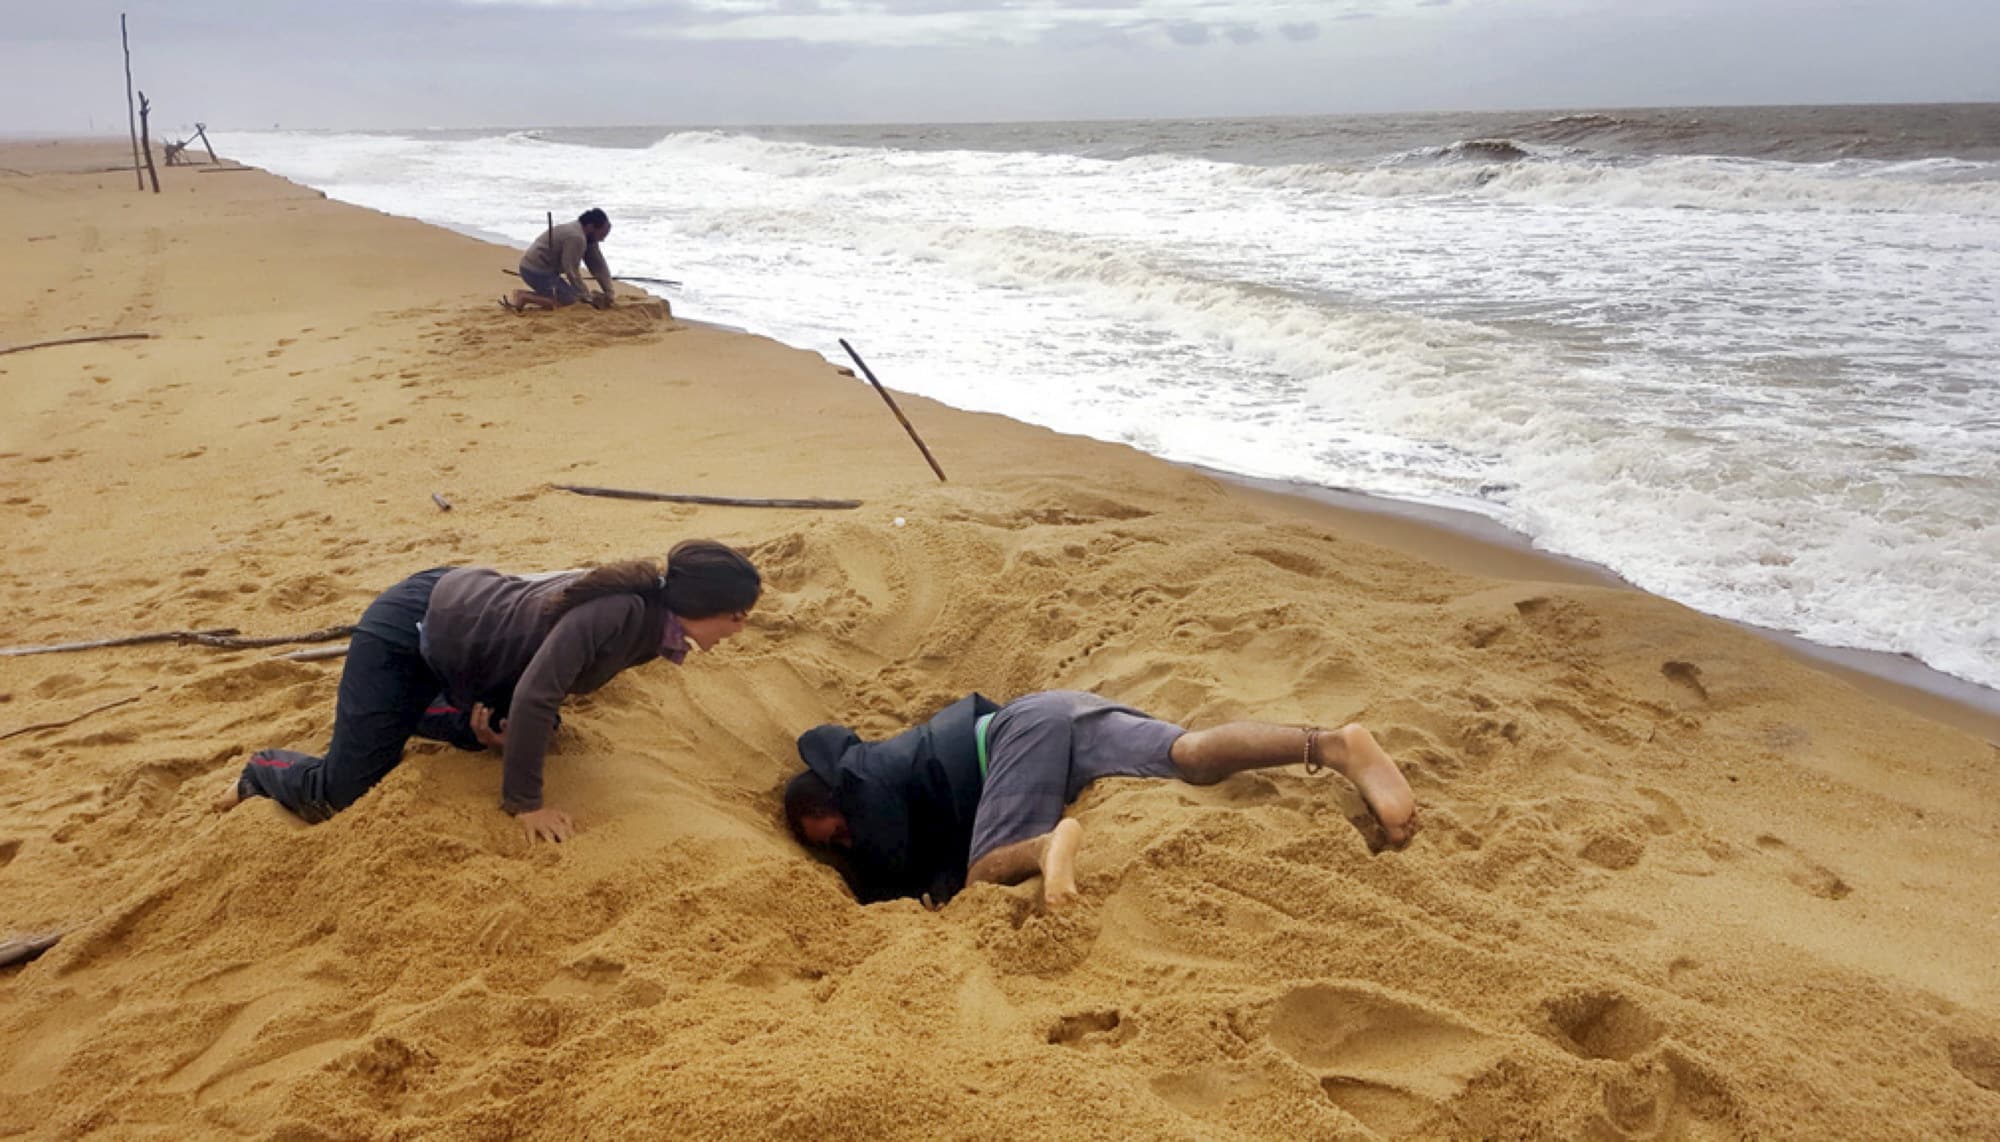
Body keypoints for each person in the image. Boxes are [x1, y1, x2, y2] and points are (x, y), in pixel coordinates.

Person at [216, 541, 761, 842]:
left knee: (523, 732)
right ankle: (260, 772)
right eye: (736, 617)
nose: (739, 629)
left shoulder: (656, 626)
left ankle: (426, 711)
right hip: (408, 633)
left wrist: (515, 726)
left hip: (468, 648)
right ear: (702, 606)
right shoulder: (620, 611)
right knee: (337, 795)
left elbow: (538, 672)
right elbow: (535, 695)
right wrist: (526, 805)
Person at [784, 690, 1417, 909]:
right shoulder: (875, 762)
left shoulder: (864, 782)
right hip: (1053, 711)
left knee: (984, 874)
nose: (848, 841)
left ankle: (1047, 842)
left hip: (1014, 740)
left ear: (836, 795)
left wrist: (877, 891)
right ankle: (1330, 745)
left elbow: (891, 862)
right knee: (1190, 757)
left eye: (836, 831)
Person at [503, 207, 616, 312]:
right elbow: (571, 270)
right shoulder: (576, 237)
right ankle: (524, 297)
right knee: (571, 303)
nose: (602, 239)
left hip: (546, 271)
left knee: (574, 296)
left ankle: (528, 295)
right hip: (534, 270)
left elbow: (597, 265)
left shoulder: (587, 236)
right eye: (602, 235)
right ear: (591, 227)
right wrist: (586, 297)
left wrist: (609, 292)